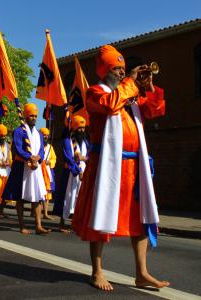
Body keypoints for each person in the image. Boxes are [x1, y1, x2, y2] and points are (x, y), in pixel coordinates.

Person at [72, 45, 169, 291]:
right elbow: (108, 105)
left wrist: (148, 87)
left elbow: (156, 110)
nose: (121, 72)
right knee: (101, 215)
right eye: (117, 69)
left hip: (134, 169)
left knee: (141, 218)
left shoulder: (131, 95)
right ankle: (97, 271)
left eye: (123, 69)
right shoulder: (96, 92)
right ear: (105, 71)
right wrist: (131, 83)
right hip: (106, 167)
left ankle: (142, 273)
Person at [2, 103, 51, 235]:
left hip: (36, 168)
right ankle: (22, 225)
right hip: (21, 166)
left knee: (38, 197)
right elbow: (18, 148)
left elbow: (41, 149)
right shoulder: (18, 131)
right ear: (25, 116)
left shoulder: (39, 134)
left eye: (35, 116)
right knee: (19, 197)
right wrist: (29, 158)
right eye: (31, 116)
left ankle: (38, 226)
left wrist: (38, 158)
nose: (34, 118)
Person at [53, 116, 89, 232]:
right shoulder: (67, 140)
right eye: (80, 128)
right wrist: (78, 171)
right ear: (74, 128)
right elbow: (69, 158)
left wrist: (83, 158)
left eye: (83, 128)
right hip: (70, 173)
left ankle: (76, 223)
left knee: (80, 198)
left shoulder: (85, 142)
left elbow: (90, 155)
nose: (82, 130)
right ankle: (62, 223)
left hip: (84, 173)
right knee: (66, 197)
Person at [40, 127, 56, 220]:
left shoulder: (50, 147)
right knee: (38, 191)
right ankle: (33, 211)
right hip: (39, 171)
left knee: (47, 193)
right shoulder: (37, 145)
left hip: (48, 171)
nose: (45, 137)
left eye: (47, 135)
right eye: (44, 135)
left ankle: (45, 213)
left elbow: (54, 158)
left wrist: (49, 162)